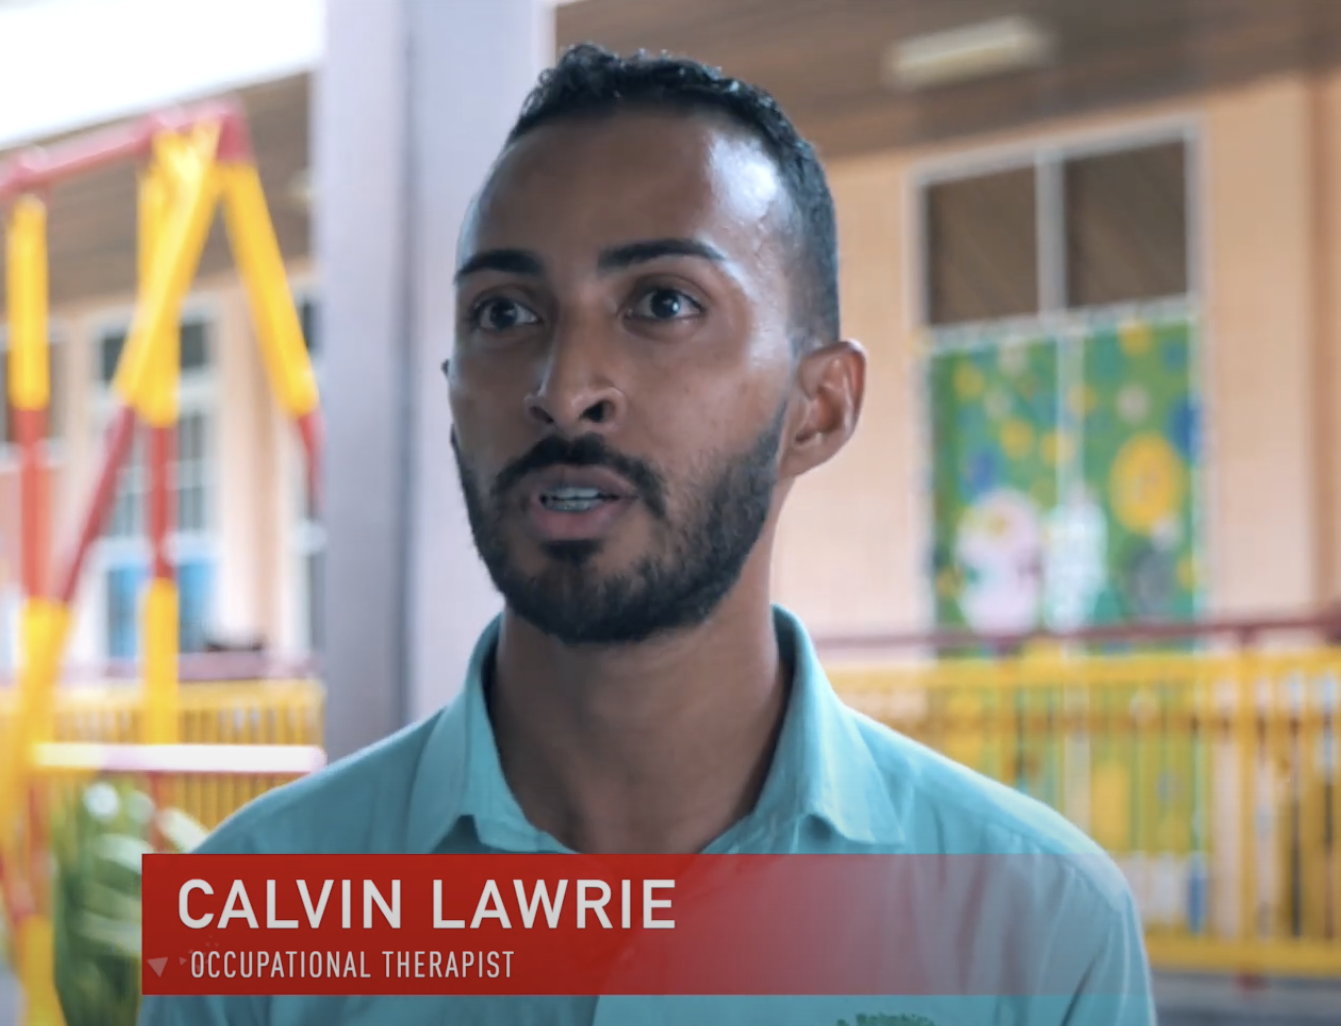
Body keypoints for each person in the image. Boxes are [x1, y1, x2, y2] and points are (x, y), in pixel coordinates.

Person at [138, 44, 1153, 1026]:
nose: (564, 390)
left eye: (662, 303)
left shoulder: (1034, 928)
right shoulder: (259, 915)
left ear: (819, 408)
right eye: (504, 313)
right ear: (452, 398)